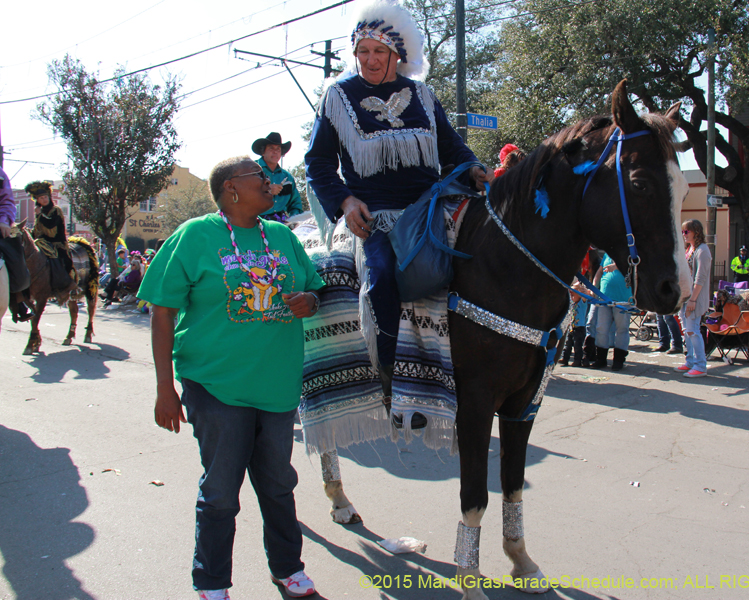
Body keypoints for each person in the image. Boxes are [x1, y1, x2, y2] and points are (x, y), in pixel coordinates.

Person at [139, 156, 325, 600]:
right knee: (221, 490)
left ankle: (288, 569)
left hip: (277, 387)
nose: (270, 182)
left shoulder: (281, 236)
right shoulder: (195, 236)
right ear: (230, 189)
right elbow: (162, 313)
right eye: (259, 177)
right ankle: (211, 582)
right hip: (215, 385)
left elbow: (315, 288)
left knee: (279, 485)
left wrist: (310, 301)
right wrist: (166, 388)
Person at [305, 0, 491, 427]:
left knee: (482, 259)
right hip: (375, 217)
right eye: (363, 51)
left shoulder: (423, 95)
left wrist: (474, 167)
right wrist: (346, 202)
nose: (370, 60)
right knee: (384, 274)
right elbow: (317, 165)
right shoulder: (337, 96)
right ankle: (388, 376)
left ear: (397, 54)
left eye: (379, 51)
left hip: (430, 209)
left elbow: (451, 147)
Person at [586, 250, 631, 371]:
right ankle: (601, 359)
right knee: (601, 328)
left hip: (623, 299)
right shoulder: (607, 255)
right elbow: (599, 272)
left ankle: (619, 360)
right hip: (605, 297)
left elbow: (633, 269)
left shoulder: (629, 254)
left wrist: (616, 266)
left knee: (622, 329)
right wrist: (594, 287)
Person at [677, 219, 711, 378]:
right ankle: (690, 361)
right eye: (683, 231)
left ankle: (700, 365)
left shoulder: (703, 250)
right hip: (686, 296)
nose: (684, 234)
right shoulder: (690, 249)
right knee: (687, 330)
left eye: (686, 231)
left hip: (694, 298)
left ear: (695, 232)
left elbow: (700, 278)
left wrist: (693, 299)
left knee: (692, 330)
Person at [26, 180, 74, 290]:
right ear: (37, 200)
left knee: (65, 261)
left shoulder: (56, 210)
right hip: (41, 242)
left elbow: (51, 225)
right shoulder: (39, 213)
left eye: (46, 197)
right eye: (41, 198)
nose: (44, 199)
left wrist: (40, 215)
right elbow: (37, 229)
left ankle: (69, 285)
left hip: (56, 243)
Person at [0, 166, 34, 322]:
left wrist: (3, 221)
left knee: (15, 258)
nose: (42, 200)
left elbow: (6, 202)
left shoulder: (56, 212)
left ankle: (18, 301)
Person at [252, 132, 304, 223]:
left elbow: (295, 204)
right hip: (254, 222)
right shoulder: (251, 171)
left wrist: (294, 220)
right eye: (271, 148)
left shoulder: (287, 177)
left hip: (281, 223)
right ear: (263, 151)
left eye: (278, 149)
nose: (275, 152)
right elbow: (241, 196)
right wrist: (266, 190)